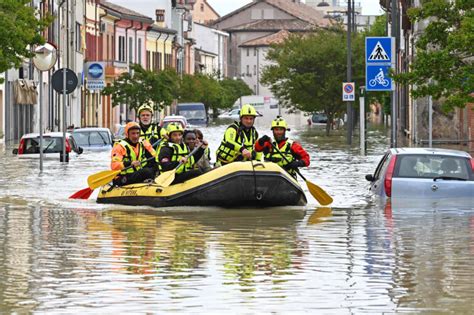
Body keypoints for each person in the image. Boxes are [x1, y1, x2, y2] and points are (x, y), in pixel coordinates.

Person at [111, 122, 157, 186]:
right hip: (123, 177)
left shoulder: (143, 143)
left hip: (137, 174)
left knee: (154, 169)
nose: (135, 136)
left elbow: (155, 156)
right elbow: (114, 165)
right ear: (127, 134)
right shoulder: (119, 146)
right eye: (133, 133)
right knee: (146, 172)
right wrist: (130, 163)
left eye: (137, 133)